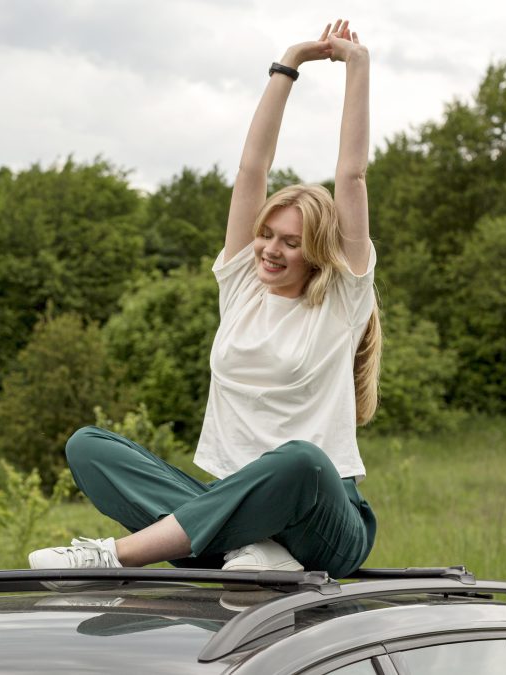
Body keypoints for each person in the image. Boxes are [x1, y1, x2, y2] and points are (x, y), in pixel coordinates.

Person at [29, 19, 380, 580]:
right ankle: (253, 551)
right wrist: (288, 63)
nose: (269, 250)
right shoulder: (243, 285)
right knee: (89, 447)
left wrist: (357, 67)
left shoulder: (341, 299)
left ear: (317, 252)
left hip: (323, 519)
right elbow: (251, 169)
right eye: (266, 234)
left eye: (291, 243)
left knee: (300, 460)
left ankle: (116, 556)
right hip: (233, 515)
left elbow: (353, 175)